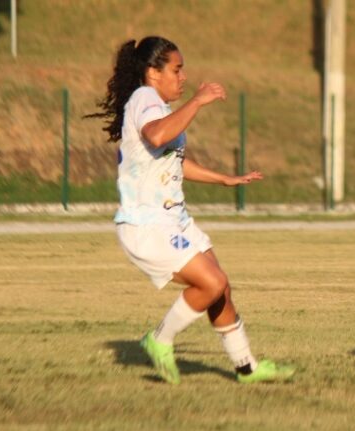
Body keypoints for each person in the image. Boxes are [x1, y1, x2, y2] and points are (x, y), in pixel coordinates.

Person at [87, 36, 295, 384]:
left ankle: (246, 368)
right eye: (177, 69)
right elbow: (156, 136)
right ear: (153, 72)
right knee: (212, 283)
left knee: (220, 288)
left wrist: (223, 179)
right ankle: (159, 339)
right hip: (147, 224)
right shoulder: (145, 98)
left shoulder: (158, 106)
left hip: (174, 220)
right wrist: (197, 101)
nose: (183, 77)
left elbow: (174, 161)